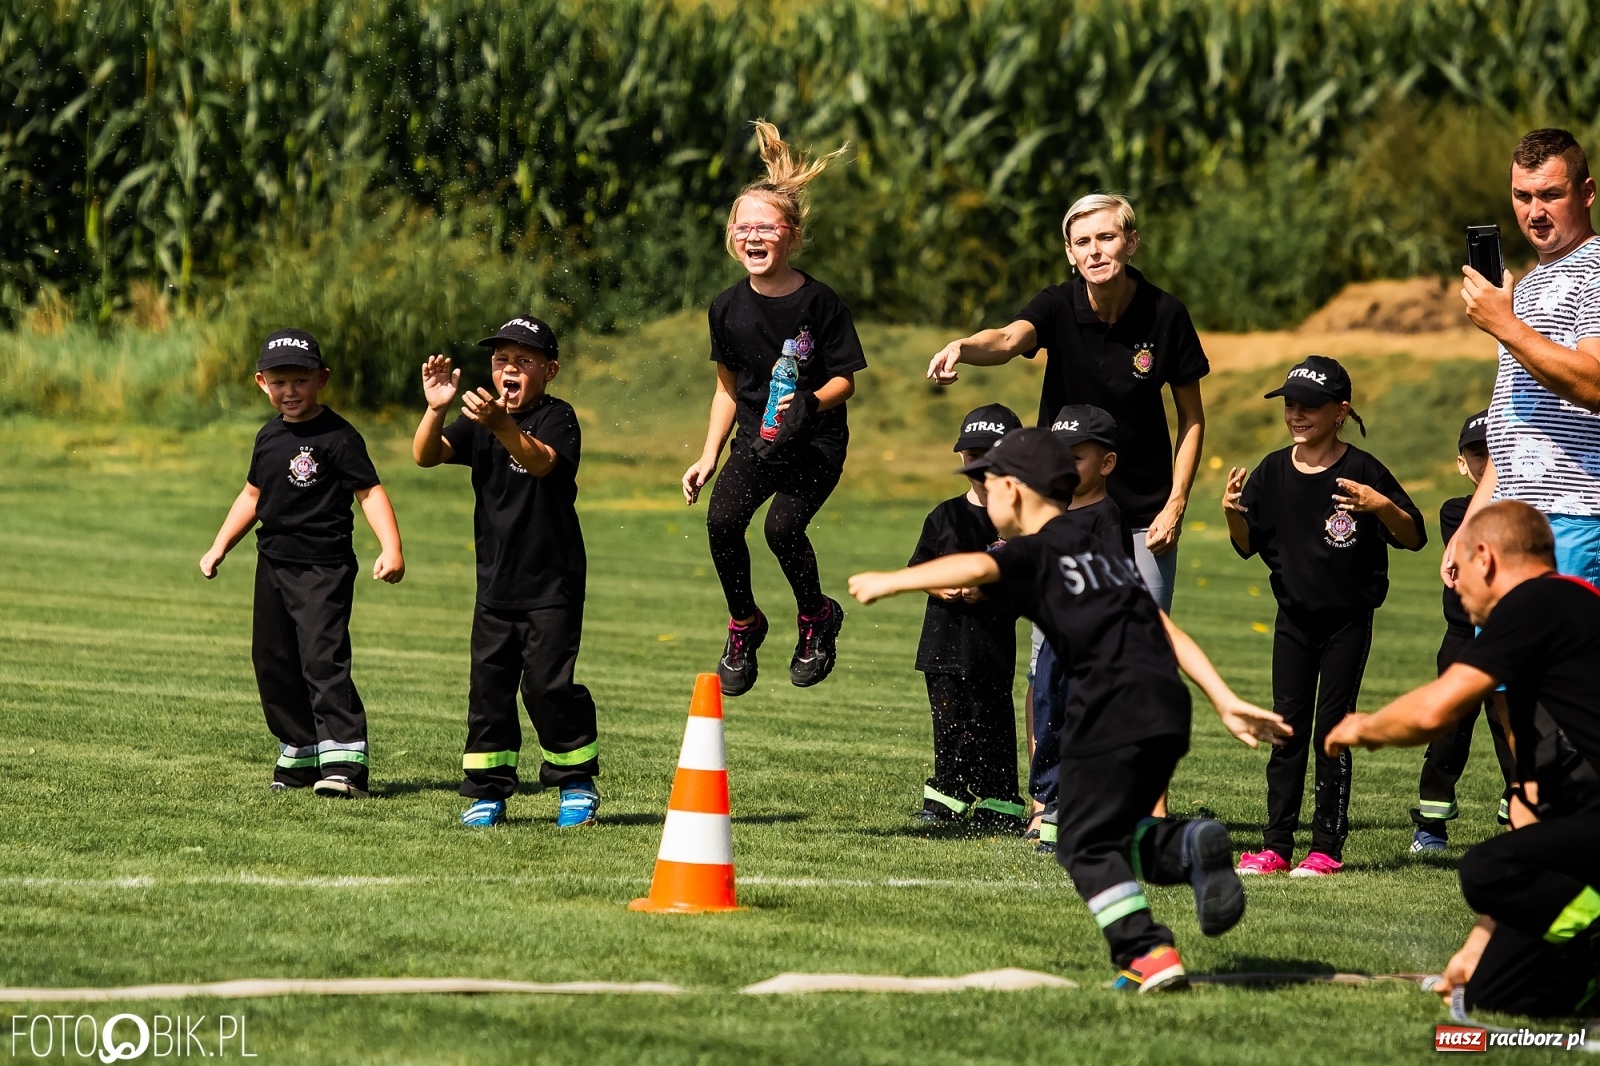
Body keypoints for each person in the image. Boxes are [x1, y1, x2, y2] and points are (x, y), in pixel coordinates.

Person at [849, 428, 1290, 993]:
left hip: (1110, 705)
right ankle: (1184, 849)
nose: (983, 498)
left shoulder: (1034, 549)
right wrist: (1223, 699)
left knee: (1079, 842)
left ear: (1014, 487)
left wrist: (895, 580)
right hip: (1164, 705)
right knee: (1102, 834)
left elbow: (977, 569)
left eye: (986, 484)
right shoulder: (1098, 556)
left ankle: (1148, 952)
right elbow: (1163, 627)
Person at [1328, 501, 1600, 1018]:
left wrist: (1362, 727)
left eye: (1457, 568)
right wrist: (1477, 946)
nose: (1452, 585)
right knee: (1494, 994)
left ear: (1485, 557)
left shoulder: (1537, 600)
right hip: (1585, 833)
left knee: (1485, 866)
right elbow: (1535, 826)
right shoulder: (1556, 632)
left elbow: (1436, 710)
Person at [926, 192, 1208, 612]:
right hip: (1060, 509)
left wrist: (1176, 503)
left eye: (1106, 237)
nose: (1094, 251)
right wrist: (962, 347)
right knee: (1053, 650)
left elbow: (1192, 418)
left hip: (1144, 516)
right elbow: (1006, 339)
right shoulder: (1057, 304)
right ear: (1069, 253)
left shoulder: (1166, 313)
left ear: (1131, 242)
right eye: (1082, 242)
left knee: (1140, 645)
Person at [680, 120, 866, 697]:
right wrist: (707, 455)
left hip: (815, 443)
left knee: (783, 528)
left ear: (792, 236)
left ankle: (816, 617)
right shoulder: (725, 309)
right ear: (731, 235)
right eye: (743, 227)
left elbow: (845, 382)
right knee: (722, 522)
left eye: (766, 227)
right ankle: (745, 623)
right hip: (757, 442)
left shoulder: (820, 301)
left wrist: (808, 404)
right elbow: (726, 390)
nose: (753, 237)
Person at [1224, 357, 1426, 877]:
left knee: (1332, 732)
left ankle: (1326, 849)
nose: (1296, 414)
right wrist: (1232, 516)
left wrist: (1380, 504)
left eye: (1309, 406)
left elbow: (1413, 536)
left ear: (1341, 411)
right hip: (1292, 620)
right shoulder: (1270, 470)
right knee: (1285, 731)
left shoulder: (1362, 471)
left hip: (1346, 623)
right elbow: (1248, 545)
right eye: (1290, 404)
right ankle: (1274, 847)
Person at [413, 315, 601, 830]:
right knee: (488, 691)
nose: (508, 370)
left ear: (550, 370)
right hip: (495, 586)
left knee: (547, 688)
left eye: (523, 361)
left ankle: (576, 784)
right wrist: (436, 410)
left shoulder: (559, 418)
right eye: (500, 361)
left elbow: (540, 463)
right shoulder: (482, 422)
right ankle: (487, 792)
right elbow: (426, 456)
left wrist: (500, 424)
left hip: (552, 586)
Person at [200, 328, 405, 799]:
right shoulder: (268, 437)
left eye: (299, 380)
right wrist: (219, 546)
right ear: (261, 383)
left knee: (321, 659)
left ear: (322, 379)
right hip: (273, 564)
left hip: (323, 567)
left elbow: (369, 492)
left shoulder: (338, 436)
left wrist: (390, 547)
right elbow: (253, 495)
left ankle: (345, 762)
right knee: (272, 661)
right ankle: (300, 751)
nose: (289, 392)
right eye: (279, 382)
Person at [1449, 128, 1600, 591]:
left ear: (1587, 193)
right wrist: (1473, 521)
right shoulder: (1526, 285)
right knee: (1499, 662)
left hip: (1574, 517)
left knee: (1561, 662)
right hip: (1509, 520)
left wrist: (1504, 325)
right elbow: (1516, 415)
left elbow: (1595, 386)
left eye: (1550, 195)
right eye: (1522, 195)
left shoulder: (1596, 268)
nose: (1534, 212)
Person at [908, 403, 1026, 831]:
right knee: (950, 721)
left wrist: (989, 590)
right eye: (973, 456)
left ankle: (999, 801)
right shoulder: (944, 515)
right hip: (942, 642)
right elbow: (918, 568)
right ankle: (948, 796)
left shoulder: (1019, 521)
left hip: (991, 646)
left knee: (992, 720)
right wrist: (937, 584)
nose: (980, 465)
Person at [1029, 404, 1135, 854]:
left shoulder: (1106, 520)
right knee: (1049, 716)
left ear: (1106, 463)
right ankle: (1051, 804)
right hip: (1056, 640)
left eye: (1076, 457)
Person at [1410, 410, 1515, 853]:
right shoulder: (1457, 512)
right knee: (1448, 727)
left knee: (1512, 727)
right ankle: (1431, 824)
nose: (1485, 461)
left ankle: (1520, 810)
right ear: (1461, 462)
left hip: (1510, 637)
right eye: (1476, 454)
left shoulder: (1529, 510)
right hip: (1461, 637)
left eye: (1493, 452)